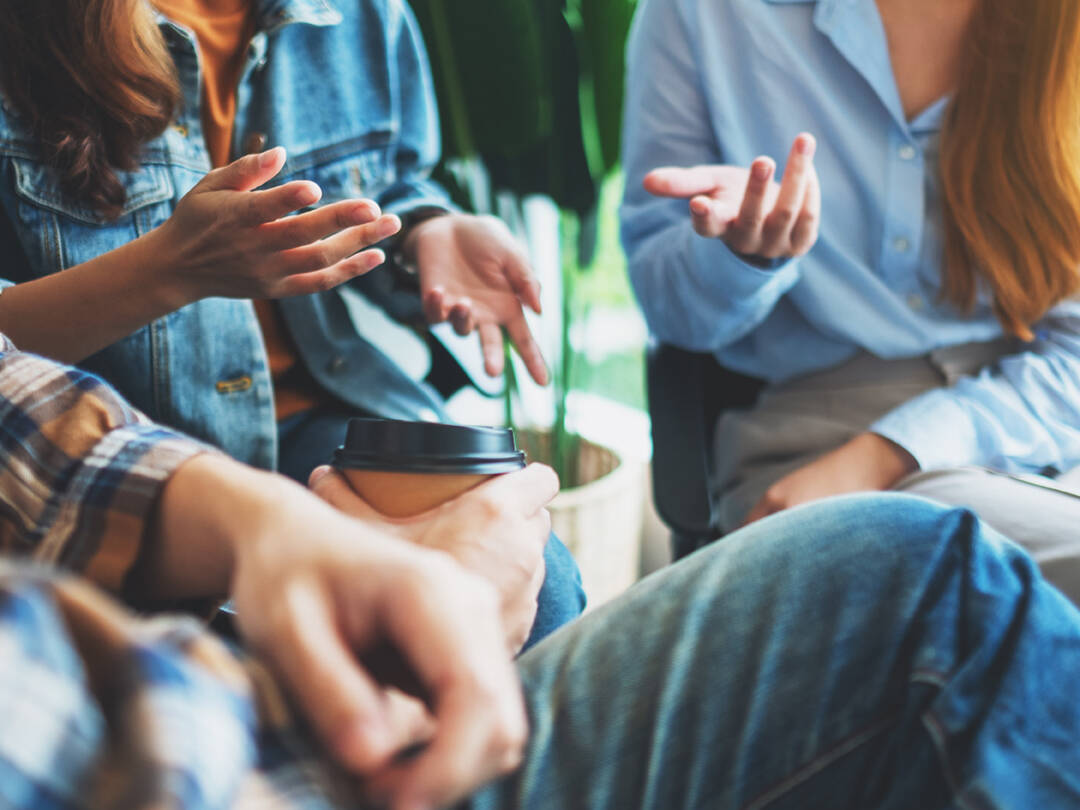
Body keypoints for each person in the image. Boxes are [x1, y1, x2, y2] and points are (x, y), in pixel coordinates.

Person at [3, 336, 1080, 810]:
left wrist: (261, 526)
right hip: (232, 757)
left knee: (921, 567)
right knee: (921, 586)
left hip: (231, 550)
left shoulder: (348, 20)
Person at [0, 0, 584, 641]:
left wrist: (424, 235)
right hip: (101, 440)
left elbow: (394, 184)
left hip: (316, 426)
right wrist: (168, 270)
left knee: (540, 588)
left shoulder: (364, 16)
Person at [620, 0, 1080, 599]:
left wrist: (886, 454)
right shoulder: (703, 15)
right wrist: (744, 258)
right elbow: (669, 309)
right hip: (813, 446)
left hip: (1039, 427)